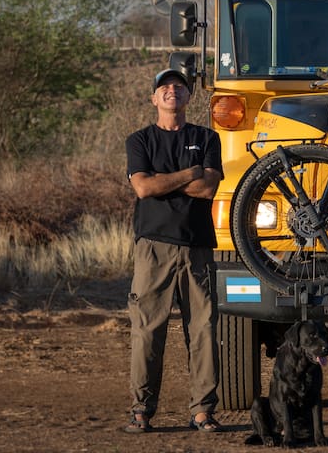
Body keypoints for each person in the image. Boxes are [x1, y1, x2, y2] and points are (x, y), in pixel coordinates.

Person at [123, 69, 224, 434]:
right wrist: (189, 173)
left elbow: (208, 189)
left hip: (198, 248)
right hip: (153, 248)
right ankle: (141, 411)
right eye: (164, 87)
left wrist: (164, 180)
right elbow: (143, 188)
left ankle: (202, 412)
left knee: (204, 331)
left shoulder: (207, 137)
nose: (172, 90)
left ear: (188, 97)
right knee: (148, 331)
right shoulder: (140, 141)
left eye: (179, 87)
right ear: (154, 98)